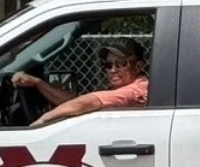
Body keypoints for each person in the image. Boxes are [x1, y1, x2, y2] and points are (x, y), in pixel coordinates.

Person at [13, 38, 149, 126]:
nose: (112, 70)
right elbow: (75, 101)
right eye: (108, 65)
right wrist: (38, 83)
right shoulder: (117, 88)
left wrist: (40, 123)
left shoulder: (137, 90)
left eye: (120, 64)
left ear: (138, 66)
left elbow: (88, 102)